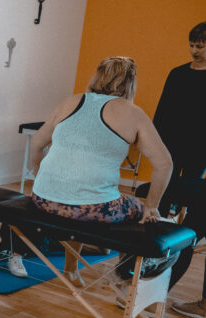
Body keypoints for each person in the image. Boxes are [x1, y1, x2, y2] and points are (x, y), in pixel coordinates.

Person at [29, 56, 173, 284]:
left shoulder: (72, 101)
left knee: (82, 200)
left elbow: (36, 144)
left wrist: (41, 180)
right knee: (138, 208)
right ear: (130, 82)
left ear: (97, 75)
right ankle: (124, 277)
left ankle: (71, 268)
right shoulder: (132, 112)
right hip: (92, 209)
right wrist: (152, 207)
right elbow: (165, 164)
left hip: (43, 201)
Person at [146, 22, 206, 318]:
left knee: (192, 213)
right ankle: (144, 272)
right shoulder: (178, 73)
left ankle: (164, 277)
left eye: (202, 45)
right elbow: (162, 112)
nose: (196, 50)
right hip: (172, 149)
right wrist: (155, 146)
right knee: (161, 208)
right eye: (193, 44)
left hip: (199, 154)